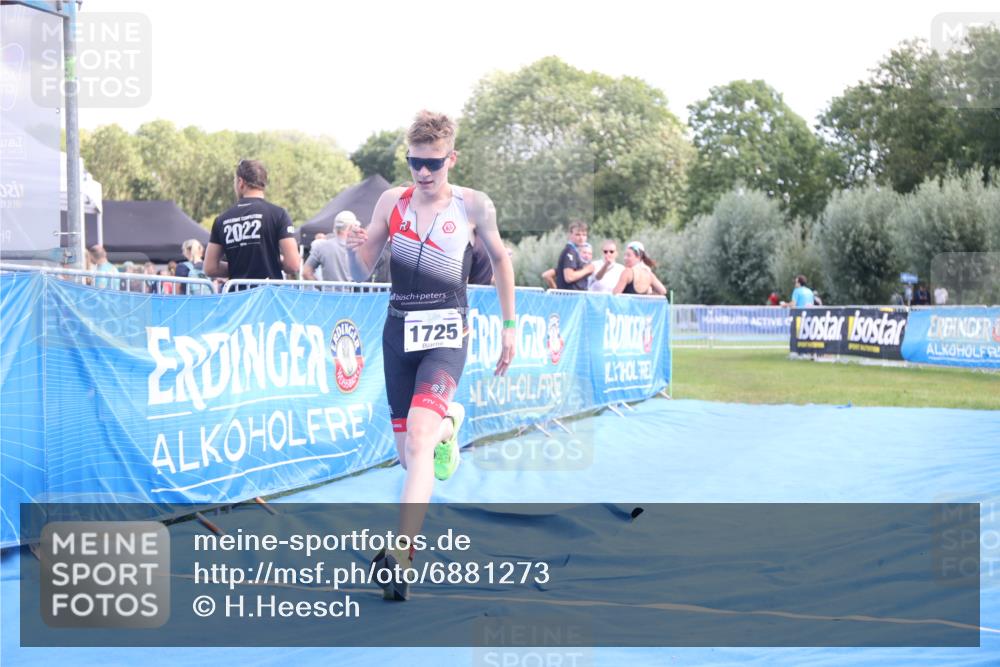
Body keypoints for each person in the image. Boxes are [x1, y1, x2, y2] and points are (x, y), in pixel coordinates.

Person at [346, 110, 515, 600]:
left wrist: (508, 326)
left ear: (451, 159)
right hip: (397, 334)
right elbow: (368, 263)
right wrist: (363, 242)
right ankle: (451, 423)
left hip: (445, 334)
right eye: (414, 162)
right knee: (408, 456)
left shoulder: (473, 206)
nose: (422, 173)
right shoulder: (390, 201)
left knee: (420, 441)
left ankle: (402, 553)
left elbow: (502, 262)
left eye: (433, 164)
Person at [204, 159, 301, 285]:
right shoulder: (279, 214)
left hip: (237, 296)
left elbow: (210, 267)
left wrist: (238, 267)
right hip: (269, 295)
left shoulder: (222, 220)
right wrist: (270, 263)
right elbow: (293, 265)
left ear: (240, 182)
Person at [303, 211, 357, 283]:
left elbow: (306, 273)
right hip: (353, 293)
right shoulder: (358, 247)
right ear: (351, 227)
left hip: (329, 292)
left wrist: (322, 287)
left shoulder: (321, 246)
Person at [554, 221, 593, 290]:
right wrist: (586, 270)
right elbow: (569, 277)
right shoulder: (570, 251)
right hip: (570, 297)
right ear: (570, 235)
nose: (581, 238)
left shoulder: (575, 251)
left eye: (584, 235)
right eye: (577, 234)